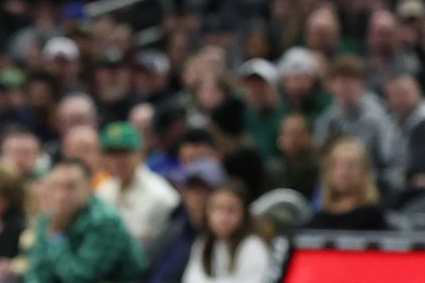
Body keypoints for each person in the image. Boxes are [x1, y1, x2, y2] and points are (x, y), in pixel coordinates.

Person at [22, 159, 146, 283]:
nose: (61, 195)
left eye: (70, 187)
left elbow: (82, 278)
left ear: (88, 187)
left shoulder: (104, 220)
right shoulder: (48, 217)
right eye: (56, 186)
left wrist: (57, 237)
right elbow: (38, 271)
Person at [96, 121, 180, 250]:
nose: (117, 161)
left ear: (140, 153)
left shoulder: (161, 195)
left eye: (124, 154)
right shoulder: (104, 190)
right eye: (112, 155)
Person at [312, 55, 398, 173]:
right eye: (342, 82)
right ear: (331, 86)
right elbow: (321, 158)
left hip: (374, 175)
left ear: (362, 83)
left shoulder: (378, 115)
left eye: (353, 81)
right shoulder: (327, 119)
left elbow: (388, 156)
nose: (348, 87)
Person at [182, 182, 270, 283]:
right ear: (208, 211)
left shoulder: (253, 247)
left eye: (231, 210)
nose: (223, 218)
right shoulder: (203, 243)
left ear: (244, 214)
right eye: (218, 208)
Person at [304, 137, 386, 231]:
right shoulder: (318, 219)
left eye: (351, 166)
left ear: (364, 172)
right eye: (336, 165)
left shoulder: (374, 218)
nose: (343, 173)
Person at [263, 114, 319, 199]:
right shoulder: (271, 171)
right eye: (289, 134)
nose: (294, 139)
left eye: (299, 134)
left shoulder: (319, 171)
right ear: (280, 139)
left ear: (310, 137)